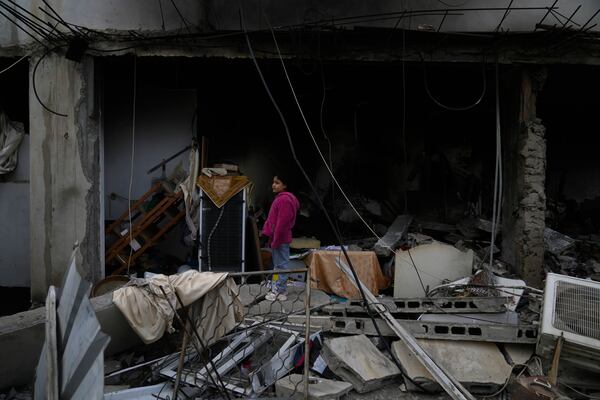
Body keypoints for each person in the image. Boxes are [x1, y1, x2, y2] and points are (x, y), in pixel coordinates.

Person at [261, 174, 300, 301]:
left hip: (280, 238)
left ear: (285, 185)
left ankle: (280, 291)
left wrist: (276, 240)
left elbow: (282, 223)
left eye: (277, 182)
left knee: (281, 265)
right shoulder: (281, 199)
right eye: (273, 182)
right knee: (277, 266)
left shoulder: (284, 200)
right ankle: (276, 287)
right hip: (278, 238)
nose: (273, 185)